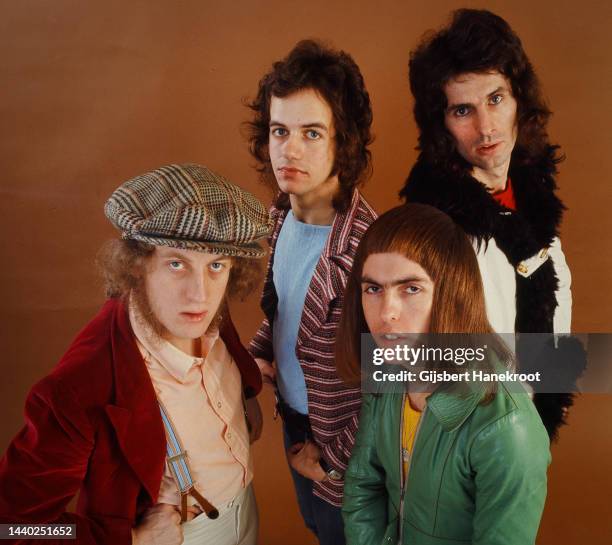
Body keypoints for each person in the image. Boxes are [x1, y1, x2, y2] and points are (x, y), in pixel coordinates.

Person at [0, 164, 270, 545]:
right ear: (137, 265)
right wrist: (133, 539)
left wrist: (245, 397)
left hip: (245, 508)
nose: (200, 294)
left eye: (216, 265)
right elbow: (12, 527)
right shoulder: (76, 390)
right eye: (177, 263)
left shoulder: (205, 312)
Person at [399, 8, 578, 439]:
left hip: (524, 433)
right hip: (462, 440)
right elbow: (398, 358)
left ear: (519, 98)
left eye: (496, 99)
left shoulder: (532, 195)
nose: (486, 126)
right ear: (441, 125)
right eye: (463, 110)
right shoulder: (432, 226)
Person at [337, 203, 551, 545]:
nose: (386, 313)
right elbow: (363, 484)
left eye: (411, 288)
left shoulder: (509, 428)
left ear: (453, 292)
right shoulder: (387, 368)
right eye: (373, 289)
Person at [246, 40, 377, 545]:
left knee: (346, 535)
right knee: (317, 529)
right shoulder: (281, 215)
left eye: (311, 133)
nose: (289, 149)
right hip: (296, 419)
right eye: (280, 131)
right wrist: (251, 361)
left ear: (344, 141)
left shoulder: (370, 249)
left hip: (345, 441)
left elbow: (392, 380)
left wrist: (333, 458)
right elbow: (285, 308)